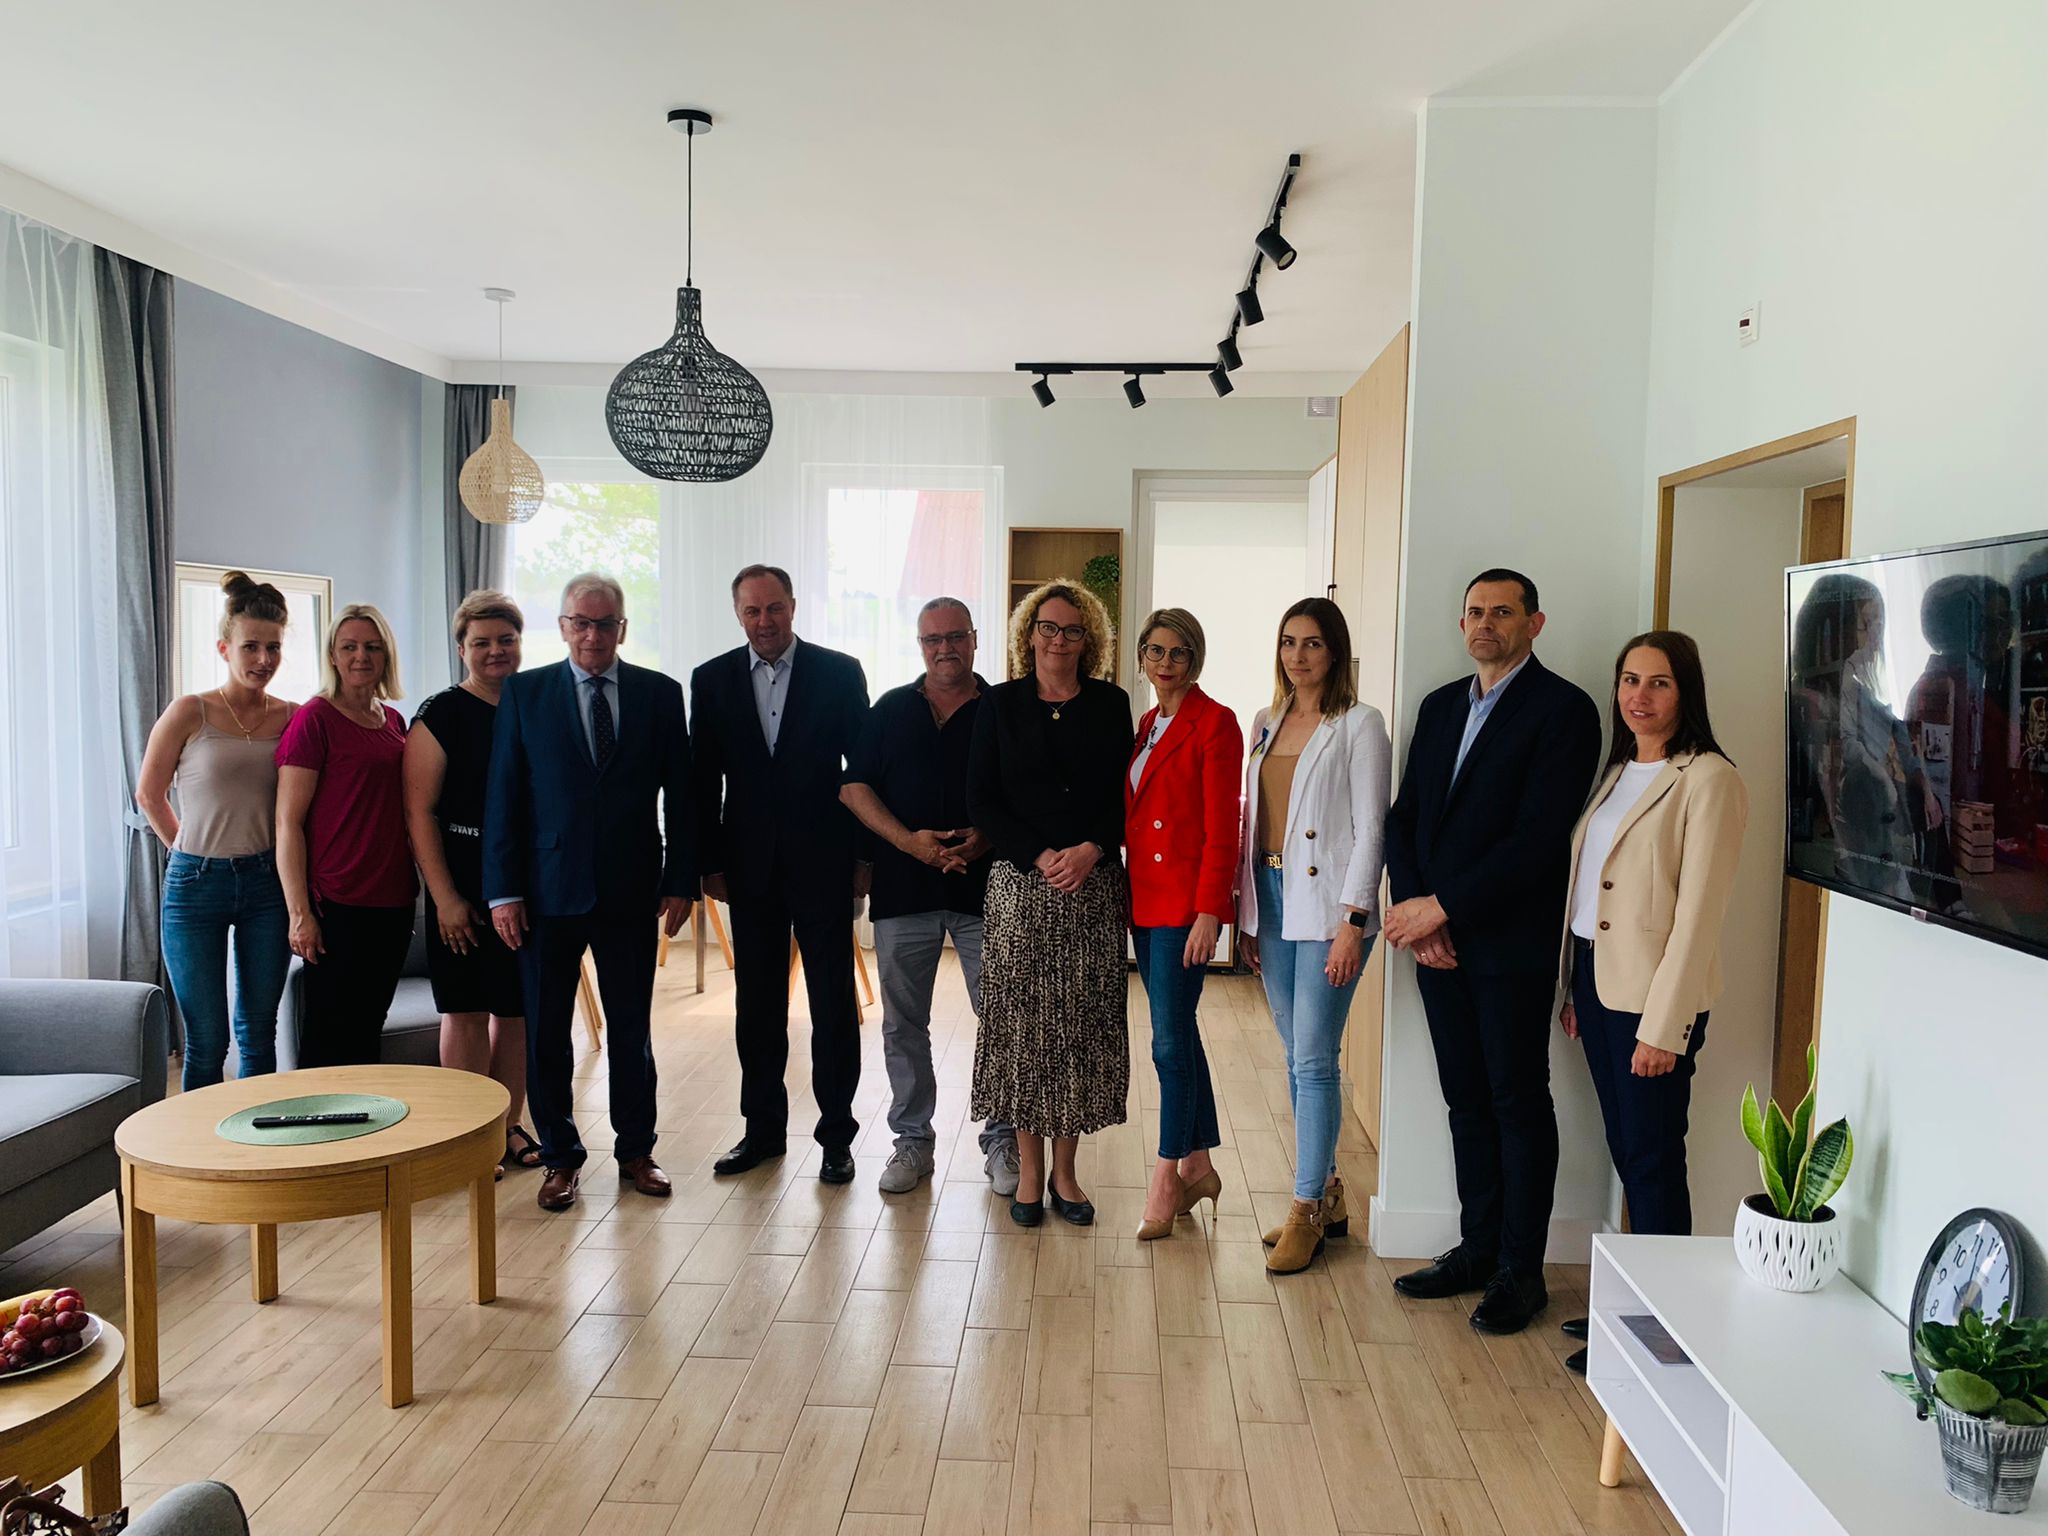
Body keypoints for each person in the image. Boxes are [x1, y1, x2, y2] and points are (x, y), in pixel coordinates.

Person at [1381, 568, 1600, 1334]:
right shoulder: (1441, 705)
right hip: (1436, 948)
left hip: (1511, 948)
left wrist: (1441, 907)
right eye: (1474, 611)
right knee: (1465, 1102)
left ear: (1533, 623)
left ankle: (1520, 1272)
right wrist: (1420, 916)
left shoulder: (1565, 711)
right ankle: (1477, 1250)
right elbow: (1405, 818)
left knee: (1517, 1103)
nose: (1485, 623)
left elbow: (1538, 839)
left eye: (1502, 612)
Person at [1554, 630, 1747, 1373]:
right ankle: (1634, 1309)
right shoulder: (1618, 771)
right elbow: (1591, 891)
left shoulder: (1708, 779)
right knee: (1629, 1154)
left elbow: (1699, 918)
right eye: (1630, 680)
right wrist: (1574, 987)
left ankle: (1668, 1332)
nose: (1640, 695)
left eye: (1659, 682)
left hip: (1653, 1003)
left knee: (1654, 1160)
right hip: (1599, 985)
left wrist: (1666, 1027)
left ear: (1685, 691)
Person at [484, 573, 695, 1212]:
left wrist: (681, 879)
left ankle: (636, 1151)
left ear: (622, 629)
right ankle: (560, 1157)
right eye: (581, 622)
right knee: (548, 1032)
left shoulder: (660, 694)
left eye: (605, 624)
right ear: (563, 627)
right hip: (545, 894)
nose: (593, 635)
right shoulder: (525, 693)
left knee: (631, 1028)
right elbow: (504, 796)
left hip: (631, 889)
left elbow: (683, 795)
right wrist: (502, 892)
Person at [692, 565, 871, 1185]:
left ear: (793, 606)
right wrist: (708, 862)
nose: (764, 621)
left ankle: (837, 1137)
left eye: (774, 608)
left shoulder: (839, 672)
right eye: (752, 611)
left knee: (832, 1005)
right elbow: (701, 780)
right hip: (748, 868)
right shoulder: (711, 679)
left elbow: (862, 770)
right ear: (737, 614)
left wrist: (865, 859)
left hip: (825, 862)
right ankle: (763, 1131)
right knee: (757, 1007)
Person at [966, 579, 1132, 1228]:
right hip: (1020, 886)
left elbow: (1124, 797)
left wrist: (1092, 848)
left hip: (1091, 889)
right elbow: (982, 799)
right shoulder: (998, 704)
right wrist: (1039, 855)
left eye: (1072, 630)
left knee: (1079, 1032)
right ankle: (1030, 1174)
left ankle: (1067, 1173)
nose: (1059, 640)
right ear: (1029, 635)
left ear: (1089, 640)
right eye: (1048, 628)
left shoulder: (1112, 704)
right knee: (1023, 1034)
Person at [841, 598, 1015, 1196]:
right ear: (920, 645)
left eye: (956, 637)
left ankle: (1004, 1141)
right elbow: (854, 788)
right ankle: (912, 1142)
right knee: (903, 1025)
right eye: (933, 639)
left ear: (975, 639)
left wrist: (987, 835)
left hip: (988, 888)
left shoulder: (1003, 708)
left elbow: (1027, 790)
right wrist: (907, 844)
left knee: (1002, 1019)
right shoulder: (890, 709)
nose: (945, 649)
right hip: (904, 888)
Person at [1236, 599, 1390, 1272]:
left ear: (1336, 653)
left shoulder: (1359, 724)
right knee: (1295, 1054)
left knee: (1315, 1059)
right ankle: (1327, 1195)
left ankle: (1304, 1209)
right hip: (1271, 897)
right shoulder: (1265, 722)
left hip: (1328, 907)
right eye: (1288, 642)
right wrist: (1247, 912)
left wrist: (1354, 922)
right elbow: (1255, 821)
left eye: (1313, 644)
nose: (1298, 656)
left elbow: (1372, 829)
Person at [136, 571, 297, 1090]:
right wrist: (189, 854)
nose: (263, 659)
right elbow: (149, 794)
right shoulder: (190, 711)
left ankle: (255, 1135)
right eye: (251, 646)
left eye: (273, 647)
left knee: (258, 1031)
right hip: (195, 885)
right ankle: (201, 1142)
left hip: (267, 884)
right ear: (225, 648)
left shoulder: (293, 717)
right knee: (207, 1039)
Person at [405, 590, 540, 1178]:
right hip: (458, 885)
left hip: (524, 885)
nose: (495, 651)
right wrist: (446, 899)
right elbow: (419, 812)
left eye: (506, 640)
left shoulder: (535, 703)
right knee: (464, 1010)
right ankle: (466, 1135)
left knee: (516, 1012)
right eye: (481, 642)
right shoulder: (441, 714)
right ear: (462, 649)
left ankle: (508, 1126)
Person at [1126, 608, 1242, 1240]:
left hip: (1183, 908)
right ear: (1142, 656)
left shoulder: (1215, 722)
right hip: (1144, 902)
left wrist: (1210, 912)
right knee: (1179, 1034)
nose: (1165, 662)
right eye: (1155, 650)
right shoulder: (1148, 725)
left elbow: (1225, 828)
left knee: (1168, 1044)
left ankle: (1166, 1173)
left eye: (1178, 652)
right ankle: (1198, 1163)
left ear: (1194, 660)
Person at [275, 603, 419, 1068]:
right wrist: (299, 913)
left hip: (393, 902)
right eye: (350, 647)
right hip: (336, 903)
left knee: (367, 1028)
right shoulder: (314, 719)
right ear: (333, 656)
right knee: (329, 1035)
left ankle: (366, 1114)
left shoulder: (394, 722)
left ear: (386, 656)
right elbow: (287, 823)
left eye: (373, 647)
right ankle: (320, 1118)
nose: (361, 656)